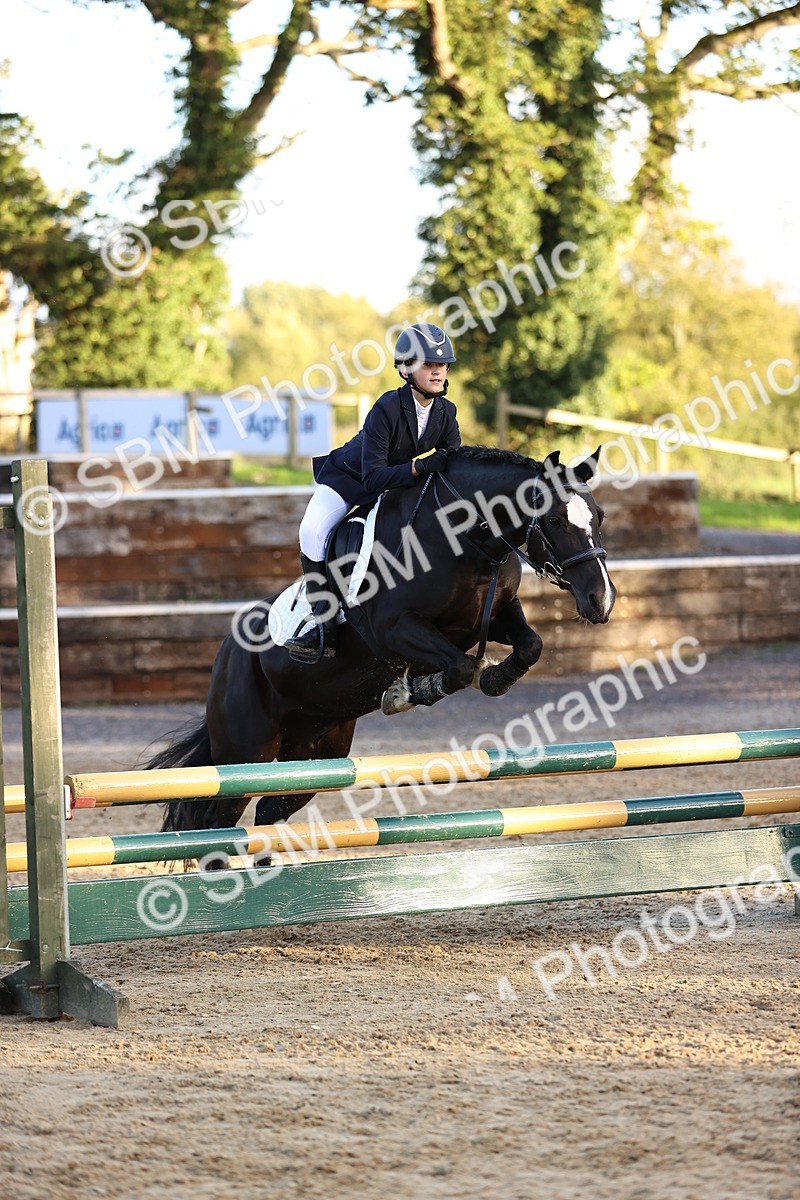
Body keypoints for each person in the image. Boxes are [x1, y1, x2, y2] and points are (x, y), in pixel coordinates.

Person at [285, 322, 461, 662]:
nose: (438, 371)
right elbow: (373, 477)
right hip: (350, 480)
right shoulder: (387, 408)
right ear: (406, 369)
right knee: (311, 531)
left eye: (443, 365)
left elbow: (452, 461)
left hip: (392, 486)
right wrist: (420, 467)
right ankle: (322, 625)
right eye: (428, 364)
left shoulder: (446, 412)